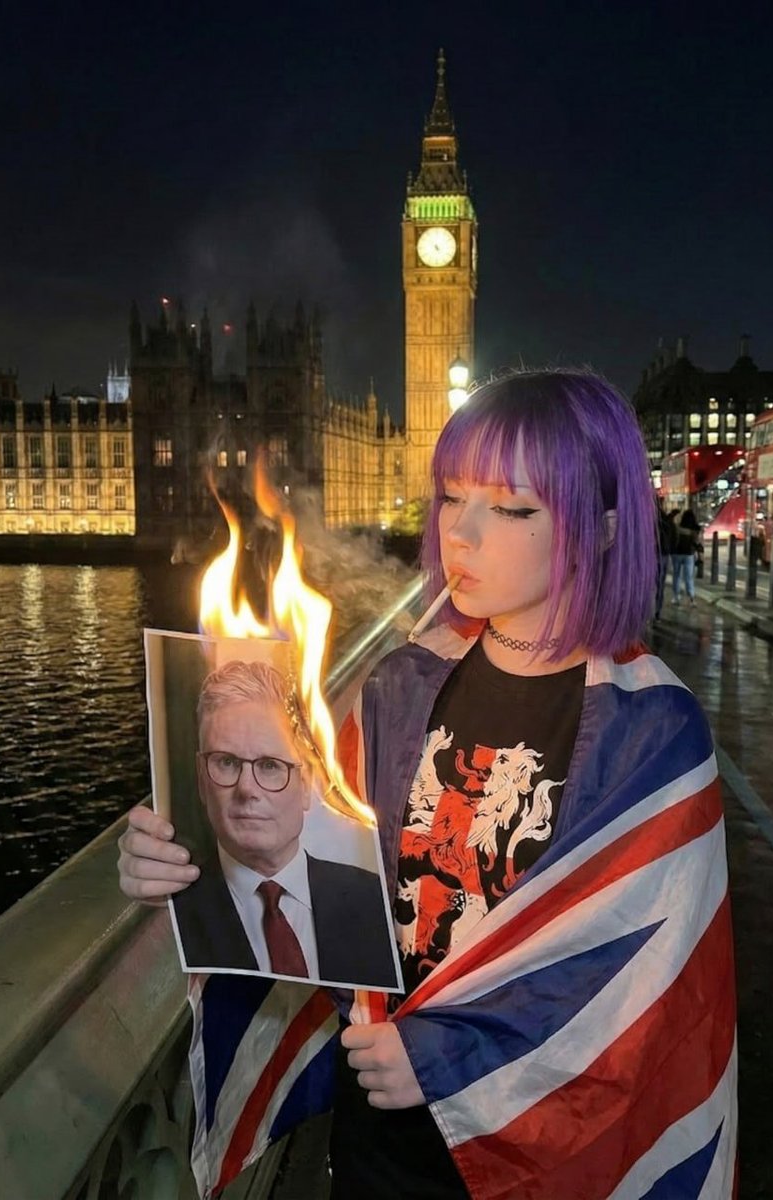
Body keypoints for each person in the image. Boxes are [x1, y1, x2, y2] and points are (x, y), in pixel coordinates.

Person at [118, 370, 737, 1200]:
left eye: (512, 509)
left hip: (537, 1152)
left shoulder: (654, 728)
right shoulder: (401, 684)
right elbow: (315, 869)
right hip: (378, 1128)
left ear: (600, 528)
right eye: (451, 497)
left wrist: (447, 1055)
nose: (461, 534)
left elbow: (638, 983)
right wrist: (190, 855)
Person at [151, 658, 397, 987]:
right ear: (201, 779)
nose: (246, 789)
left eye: (269, 765)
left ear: (305, 785)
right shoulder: (173, 910)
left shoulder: (373, 900)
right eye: (227, 762)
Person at [672, 508, 703, 606]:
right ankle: (691, 599)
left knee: (676, 575)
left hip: (677, 553)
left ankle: (676, 597)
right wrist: (700, 557)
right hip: (689, 554)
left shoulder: (678, 528)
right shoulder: (694, 530)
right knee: (689, 577)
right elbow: (698, 544)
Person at [654, 500, 679, 619]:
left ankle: (648, 612)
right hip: (664, 554)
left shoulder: (648, 519)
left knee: (649, 584)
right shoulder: (667, 520)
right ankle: (657, 611)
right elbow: (675, 537)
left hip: (652, 555)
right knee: (660, 584)